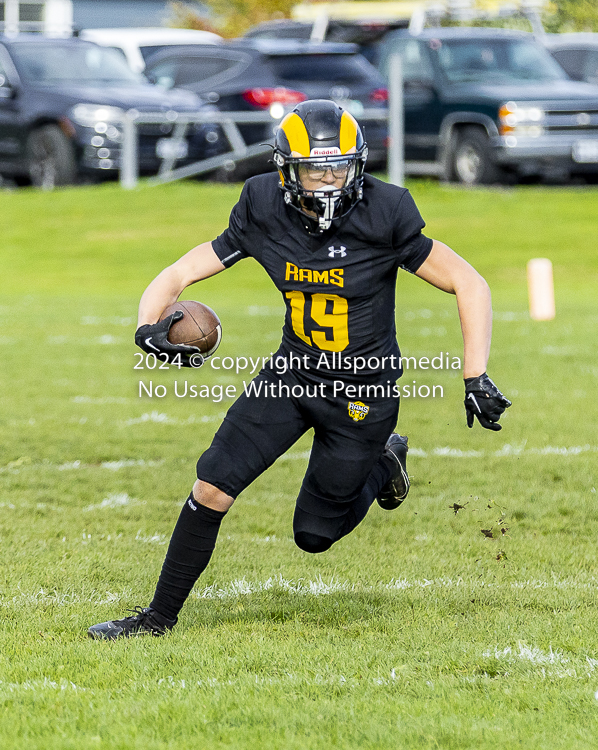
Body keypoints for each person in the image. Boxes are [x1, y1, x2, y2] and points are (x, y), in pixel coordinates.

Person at [88, 100, 511, 639]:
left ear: (359, 165)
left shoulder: (386, 211)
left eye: (340, 166)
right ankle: (156, 619)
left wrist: (476, 376)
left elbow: (468, 282)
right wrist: (148, 327)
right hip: (293, 374)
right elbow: (181, 270)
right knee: (212, 484)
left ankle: (386, 462)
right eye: (316, 168)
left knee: (314, 534)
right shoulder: (263, 205)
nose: (330, 180)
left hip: (365, 391)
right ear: (286, 170)